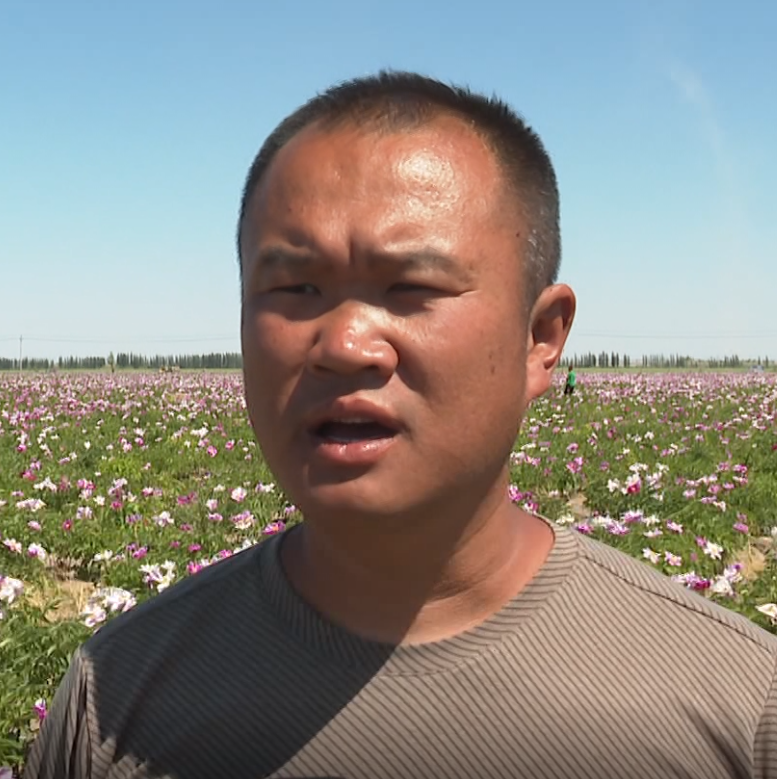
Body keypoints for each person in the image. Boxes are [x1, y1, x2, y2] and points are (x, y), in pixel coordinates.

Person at [25, 71, 777, 779]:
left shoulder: (737, 707)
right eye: (295, 286)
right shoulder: (115, 701)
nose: (344, 343)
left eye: (411, 285)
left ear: (540, 337)